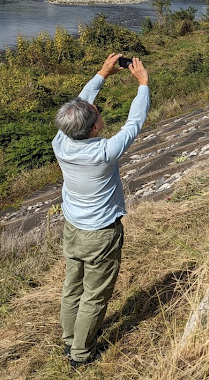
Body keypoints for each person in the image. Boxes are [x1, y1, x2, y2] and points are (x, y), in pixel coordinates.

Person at [51, 52, 149, 367]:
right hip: (101, 234)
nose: (98, 111)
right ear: (94, 128)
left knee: (73, 286)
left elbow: (77, 107)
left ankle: (70, 340)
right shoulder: (105, 152)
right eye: (97, 113)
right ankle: (81, 354)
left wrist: (102, 74)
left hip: (72, 228)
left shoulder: (61, 142)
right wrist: (143, 85)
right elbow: (135, 122)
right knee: (94, 295)